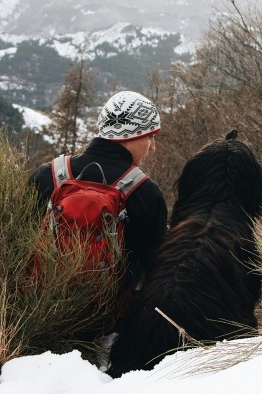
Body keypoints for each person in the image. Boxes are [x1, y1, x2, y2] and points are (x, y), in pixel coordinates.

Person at [29, 90, 167, 289]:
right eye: (150, 137)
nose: (152, 147)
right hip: (112, 316)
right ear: (131, 136)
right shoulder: (145, 193)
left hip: (35, 308)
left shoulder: (47, 176)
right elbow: (155, 270)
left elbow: (12, 243)